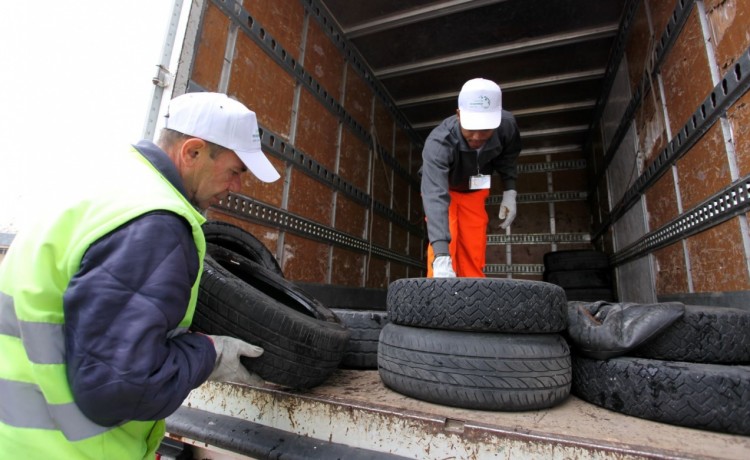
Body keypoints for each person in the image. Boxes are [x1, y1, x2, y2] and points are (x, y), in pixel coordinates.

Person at [0, 92, 281, 458]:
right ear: (192, 152)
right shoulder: (154, 223)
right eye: (235, 171)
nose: (238, 187)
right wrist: (208, 353)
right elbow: (118, 389)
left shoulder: (108, 186)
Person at [420, 78, 522, 278]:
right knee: (445, 247)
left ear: (497, 121)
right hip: (443, 191)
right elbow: (434, 195)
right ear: (458, 115)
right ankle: (440, 294)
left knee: (473, 250)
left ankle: (472, 300)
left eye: (484, 129)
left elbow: (508, 158)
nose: (476, 137)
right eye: (471, 128)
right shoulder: (439, 142)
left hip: (474, 191)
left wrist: (510, 191)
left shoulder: (507, 126)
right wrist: (441, 255)